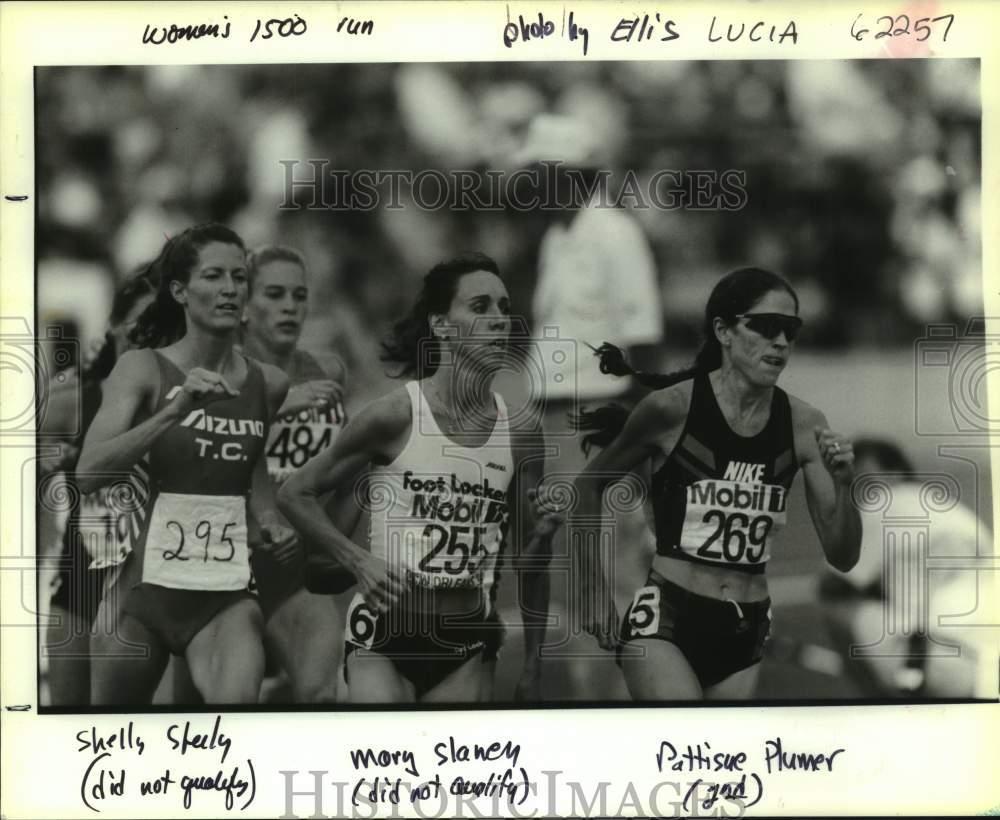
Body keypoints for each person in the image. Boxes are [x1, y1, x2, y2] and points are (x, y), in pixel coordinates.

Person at [279, 253, 561, 703]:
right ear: (442, 325)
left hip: (467, 639)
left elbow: (530, 564)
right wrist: (358, 561)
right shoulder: (396, 414)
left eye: (505, 310)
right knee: (383, 764)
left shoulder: (522, 432)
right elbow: (295, 493)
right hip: (383, 634)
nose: (498, 321)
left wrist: (533, 665)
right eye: (480, 307)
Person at [572, 266, 862, 700]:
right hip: (668, 617)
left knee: (717, 759)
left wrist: (844, 486)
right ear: (724, 331)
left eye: (790, 330)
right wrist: (592, 589)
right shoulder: (671, 410)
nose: (780, 342)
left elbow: (843, 556)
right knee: (685, 740)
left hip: (746, 626)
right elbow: (587, 488)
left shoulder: (805, 425)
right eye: (765, 327)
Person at [78, 223, 293, 705]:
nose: (230, 290)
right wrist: (175, 412)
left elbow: (254, 482)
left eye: (239, 278)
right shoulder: (143, 369)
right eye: (214, 276)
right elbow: (89, 471)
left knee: (232, 727)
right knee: (110, 745)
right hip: (144, 595)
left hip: (226, 597)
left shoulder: (269, 383)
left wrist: (272, 521)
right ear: (179, 290)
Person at [39, 272, 156, 705]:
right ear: (115, 325)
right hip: (77, 587)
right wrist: (42, 464)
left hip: (143, 594)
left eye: (160, 322)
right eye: (141, 319)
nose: (148, 332)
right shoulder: (77, 399)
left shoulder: (176, 402)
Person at [241, 244, 349, 703]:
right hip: (232, 570)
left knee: (323, 697)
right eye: (274, 294)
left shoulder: (327, 369)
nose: (289, 306)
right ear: (244, 306)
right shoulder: (222, 373)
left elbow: (340, 473)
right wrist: (275, 409)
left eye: (299, 295)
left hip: (300, 571)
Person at [820, 438, 995, 698]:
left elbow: (831, 585)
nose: (857, 490)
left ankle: (875, 699)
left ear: (895, 473)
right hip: (987, 656)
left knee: (835, 604)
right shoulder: (951, 509)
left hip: (936, 661)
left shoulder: (882, 504)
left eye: (865, 479)